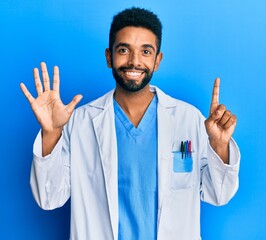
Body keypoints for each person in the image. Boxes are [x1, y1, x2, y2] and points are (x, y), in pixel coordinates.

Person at [20, 7, 240, 240]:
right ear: (109, 57)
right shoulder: (80, 123)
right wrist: (51, 133)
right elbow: (49, 198)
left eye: (146, 51)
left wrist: (219, 147)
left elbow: (219, 194)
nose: (135, 61)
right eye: (124, 50)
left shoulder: (187, 119)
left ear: (157, 60)